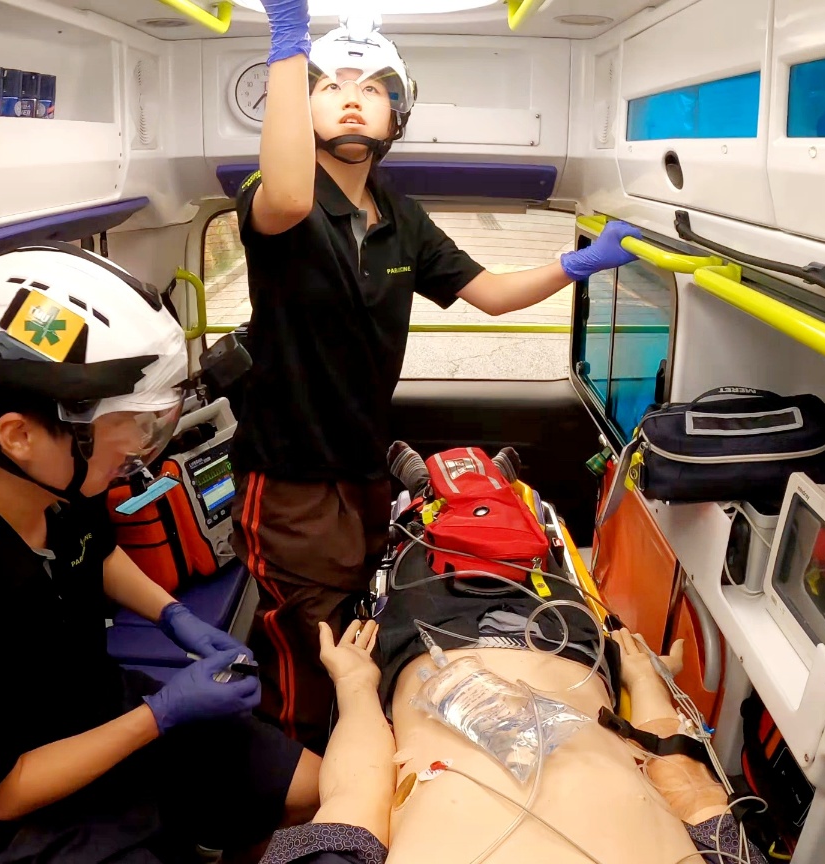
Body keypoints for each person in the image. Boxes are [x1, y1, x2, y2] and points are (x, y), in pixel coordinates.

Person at [229, 0, 647, 753]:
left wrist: (578, 262)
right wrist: (288, 42)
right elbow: (288, 192)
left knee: (357, 629)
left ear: (398, 116)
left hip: (363, 469)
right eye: (331, 86)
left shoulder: (404, 218)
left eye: (374, 88)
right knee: (305, 645)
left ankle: (358, 763)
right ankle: (297, 783)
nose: (352, 98)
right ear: (301, 107)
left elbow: (491, 294)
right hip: (289, 477)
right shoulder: (279, 202)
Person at [0, 245, 319, 863]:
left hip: (111, 709)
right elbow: (2, 793)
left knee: (318, 790)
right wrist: (162, 714)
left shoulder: (62, 490)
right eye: (122, 422)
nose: (137, 442)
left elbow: (97, 553)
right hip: (41, 804)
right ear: (19, 435)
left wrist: (173, 616)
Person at [256, 621, 762, 864]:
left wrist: (355, 683)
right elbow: (693, 791)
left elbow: (352, 802)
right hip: (574, 654)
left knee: (458, 516)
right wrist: (646, 680)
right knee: (503, 523)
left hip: (433, 651)